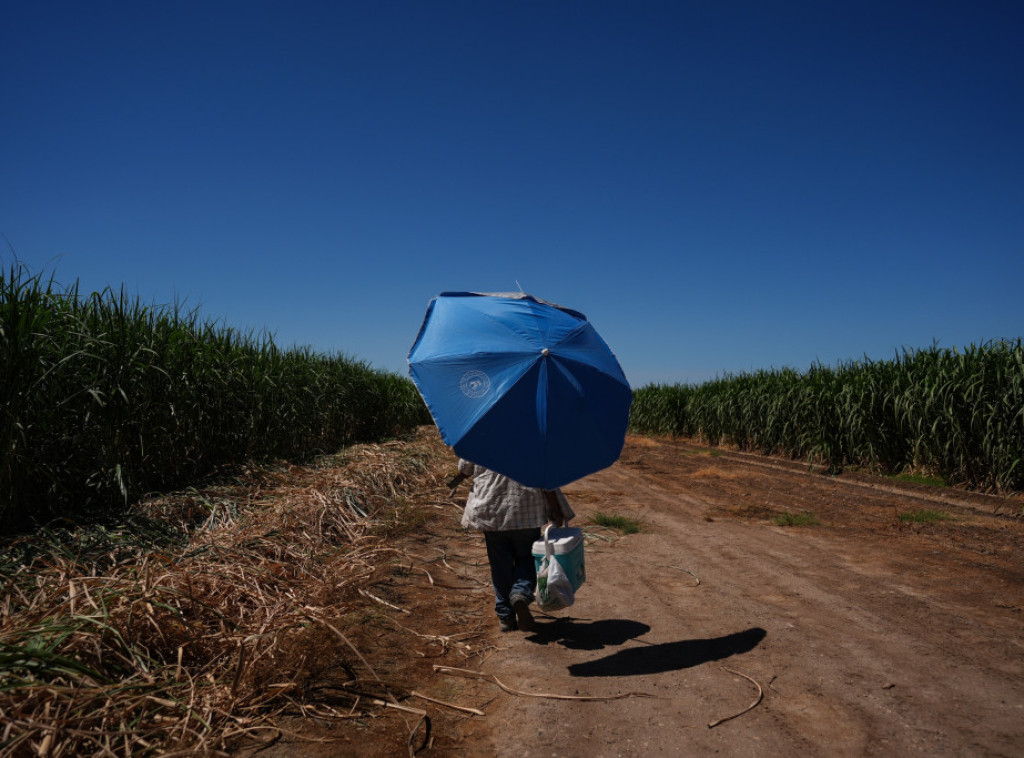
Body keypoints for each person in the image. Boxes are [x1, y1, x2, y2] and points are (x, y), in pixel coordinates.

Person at [448, 459, 573, 632]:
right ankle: (520, 593)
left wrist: (454, 481)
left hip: (491, 512)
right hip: (526, 512)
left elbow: (465, 469)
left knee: (500, 565)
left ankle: (506, 617)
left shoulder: (480, 443)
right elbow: (547, 482)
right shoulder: (534, 446)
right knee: (527, 559)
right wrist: (556, 509)